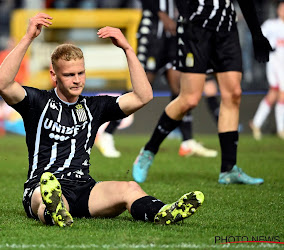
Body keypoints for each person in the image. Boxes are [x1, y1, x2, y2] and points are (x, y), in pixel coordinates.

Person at [0, 13, 204, 227]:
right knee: (44, 196)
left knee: (129, 188)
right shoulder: (37, 102)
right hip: (41, 185)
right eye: (69, 75)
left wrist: (128, 49)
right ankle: (55, 210)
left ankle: (163, 212)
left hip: (84, 188)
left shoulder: (94, 106)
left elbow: (143, 96)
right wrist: (28, 37)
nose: (77, 80)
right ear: (54, 76)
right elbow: (1, 82)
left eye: (81, 73)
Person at [132, 0, 273, 184]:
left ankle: (228, 169)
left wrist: (257, 33)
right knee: (189, 99)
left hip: (226, 28)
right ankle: (148, 151)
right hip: (196, 28)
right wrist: (186, 15)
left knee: (234, 94)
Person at [96, 0, 218, 158]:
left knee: (178, 87)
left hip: (173, 34)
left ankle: (187, 141)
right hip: (153, 32)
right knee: (141, 86)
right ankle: (107, 134)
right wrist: (163, 16)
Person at [249, 0, 284, 140]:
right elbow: (258, 36)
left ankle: (256, 123)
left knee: (273, 93)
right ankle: (281, 129)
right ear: (278, 10)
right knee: (281, 94)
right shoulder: (271, 25)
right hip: (275, 64)